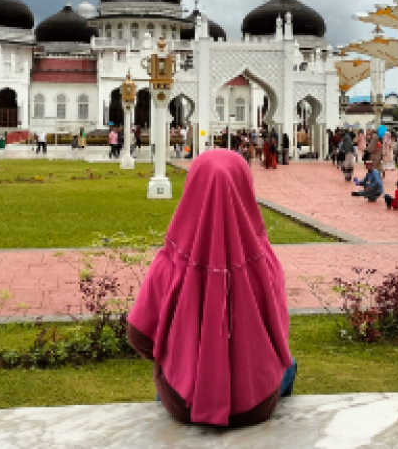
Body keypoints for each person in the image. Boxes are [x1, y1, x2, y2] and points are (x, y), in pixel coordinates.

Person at [127, 150, 296, 427]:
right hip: (255, 407)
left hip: (183, 403)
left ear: (192, 190)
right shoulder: (266, 265)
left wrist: (180, 359)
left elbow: (139, 336)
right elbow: (280, 335)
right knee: (289, 363)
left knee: (170, 375)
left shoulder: (170, 263)